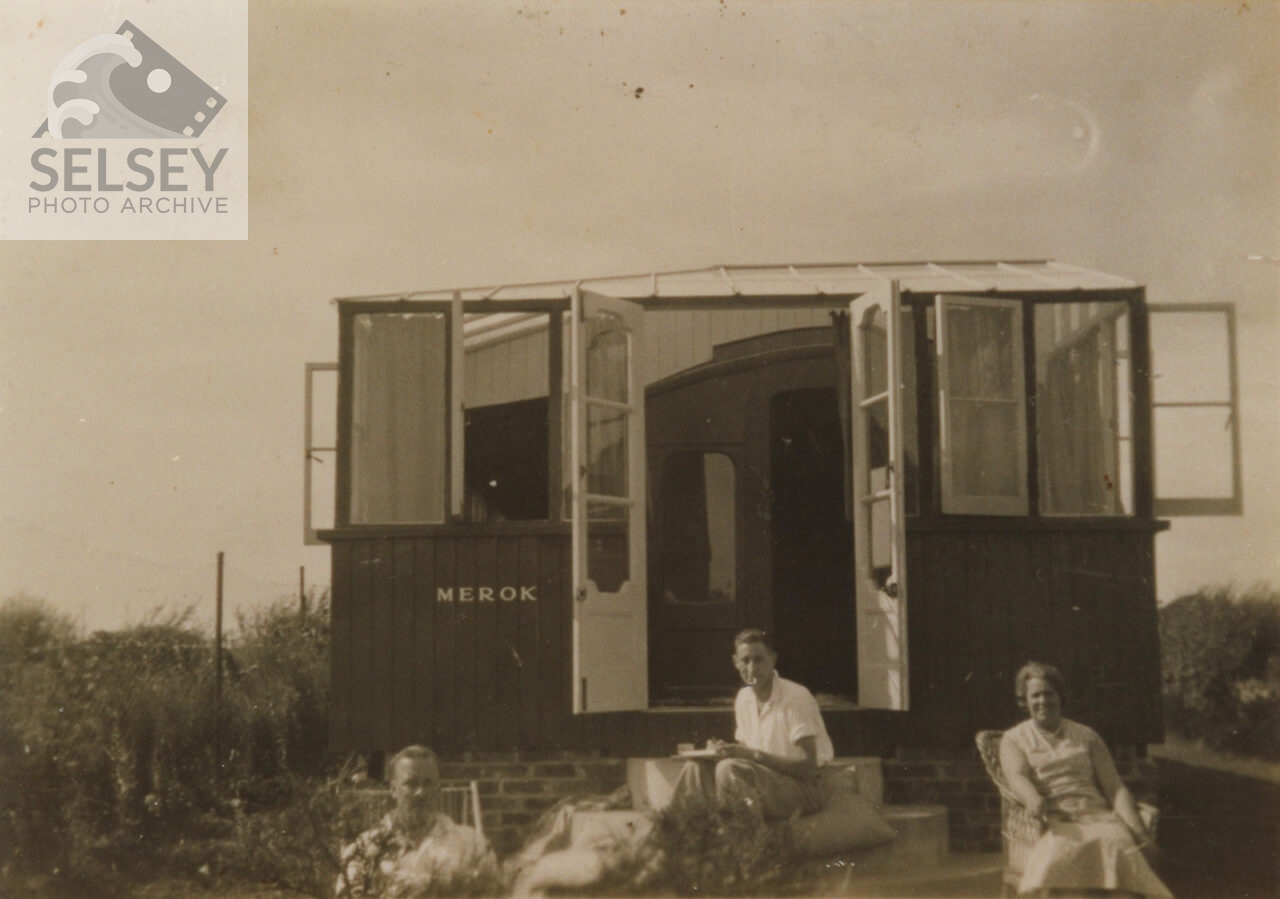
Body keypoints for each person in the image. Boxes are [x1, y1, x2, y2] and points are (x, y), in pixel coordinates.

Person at [999, 662, 1172, 898]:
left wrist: (1139, 833)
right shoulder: (1014, 739)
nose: (1042, 701)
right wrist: (1033, 799)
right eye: (1035, 695)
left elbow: (1114, 787)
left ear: (1060, 696)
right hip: (1054, 819)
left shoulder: (1087, 736)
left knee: (1120, 846)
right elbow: (1017, 776)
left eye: (1049, 693)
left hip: (1097, 817)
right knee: (1060, 853)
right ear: (1025, 701)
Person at [673, 628, 834, 819]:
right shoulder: (744, 697)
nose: (751, 669)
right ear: (735, 662)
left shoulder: (795, 697)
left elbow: (808, 767)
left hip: (806, 788)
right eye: (745, 660)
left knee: (728, 769)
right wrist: (722, 751)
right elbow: (746, 754)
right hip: (767, 778)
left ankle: (739, 834)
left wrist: (752, 755)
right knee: (695, 767)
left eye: (759, 659)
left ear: (773, 659)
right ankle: (676, 831)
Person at [335, 745, 498, 898]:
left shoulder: (469, 845)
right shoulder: (365, 848)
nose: (421, 792)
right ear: (393, 790)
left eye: (428, 783)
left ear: (438, 789)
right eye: (411, 784)